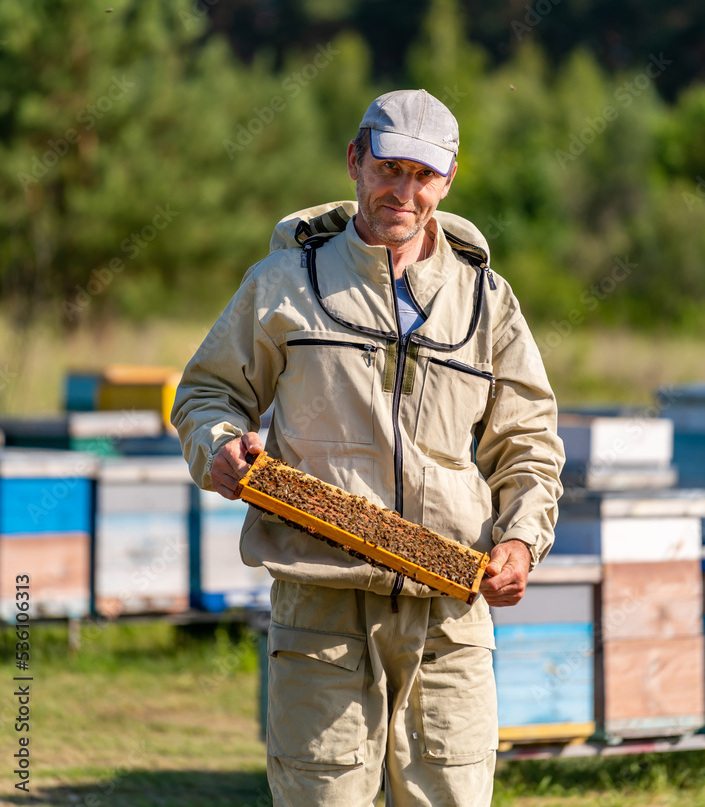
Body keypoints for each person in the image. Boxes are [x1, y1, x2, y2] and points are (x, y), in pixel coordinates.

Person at [172, 88, 565, 807]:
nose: (403, 192)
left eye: (423, 176)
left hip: (449, 613)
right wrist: (221, 448)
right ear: (355, 163)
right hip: (318, 605)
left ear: (447, 182)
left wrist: (520, 541)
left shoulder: (488, 301)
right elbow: (204, 397)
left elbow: (529, 443)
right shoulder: (281, 284)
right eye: (389, 169)